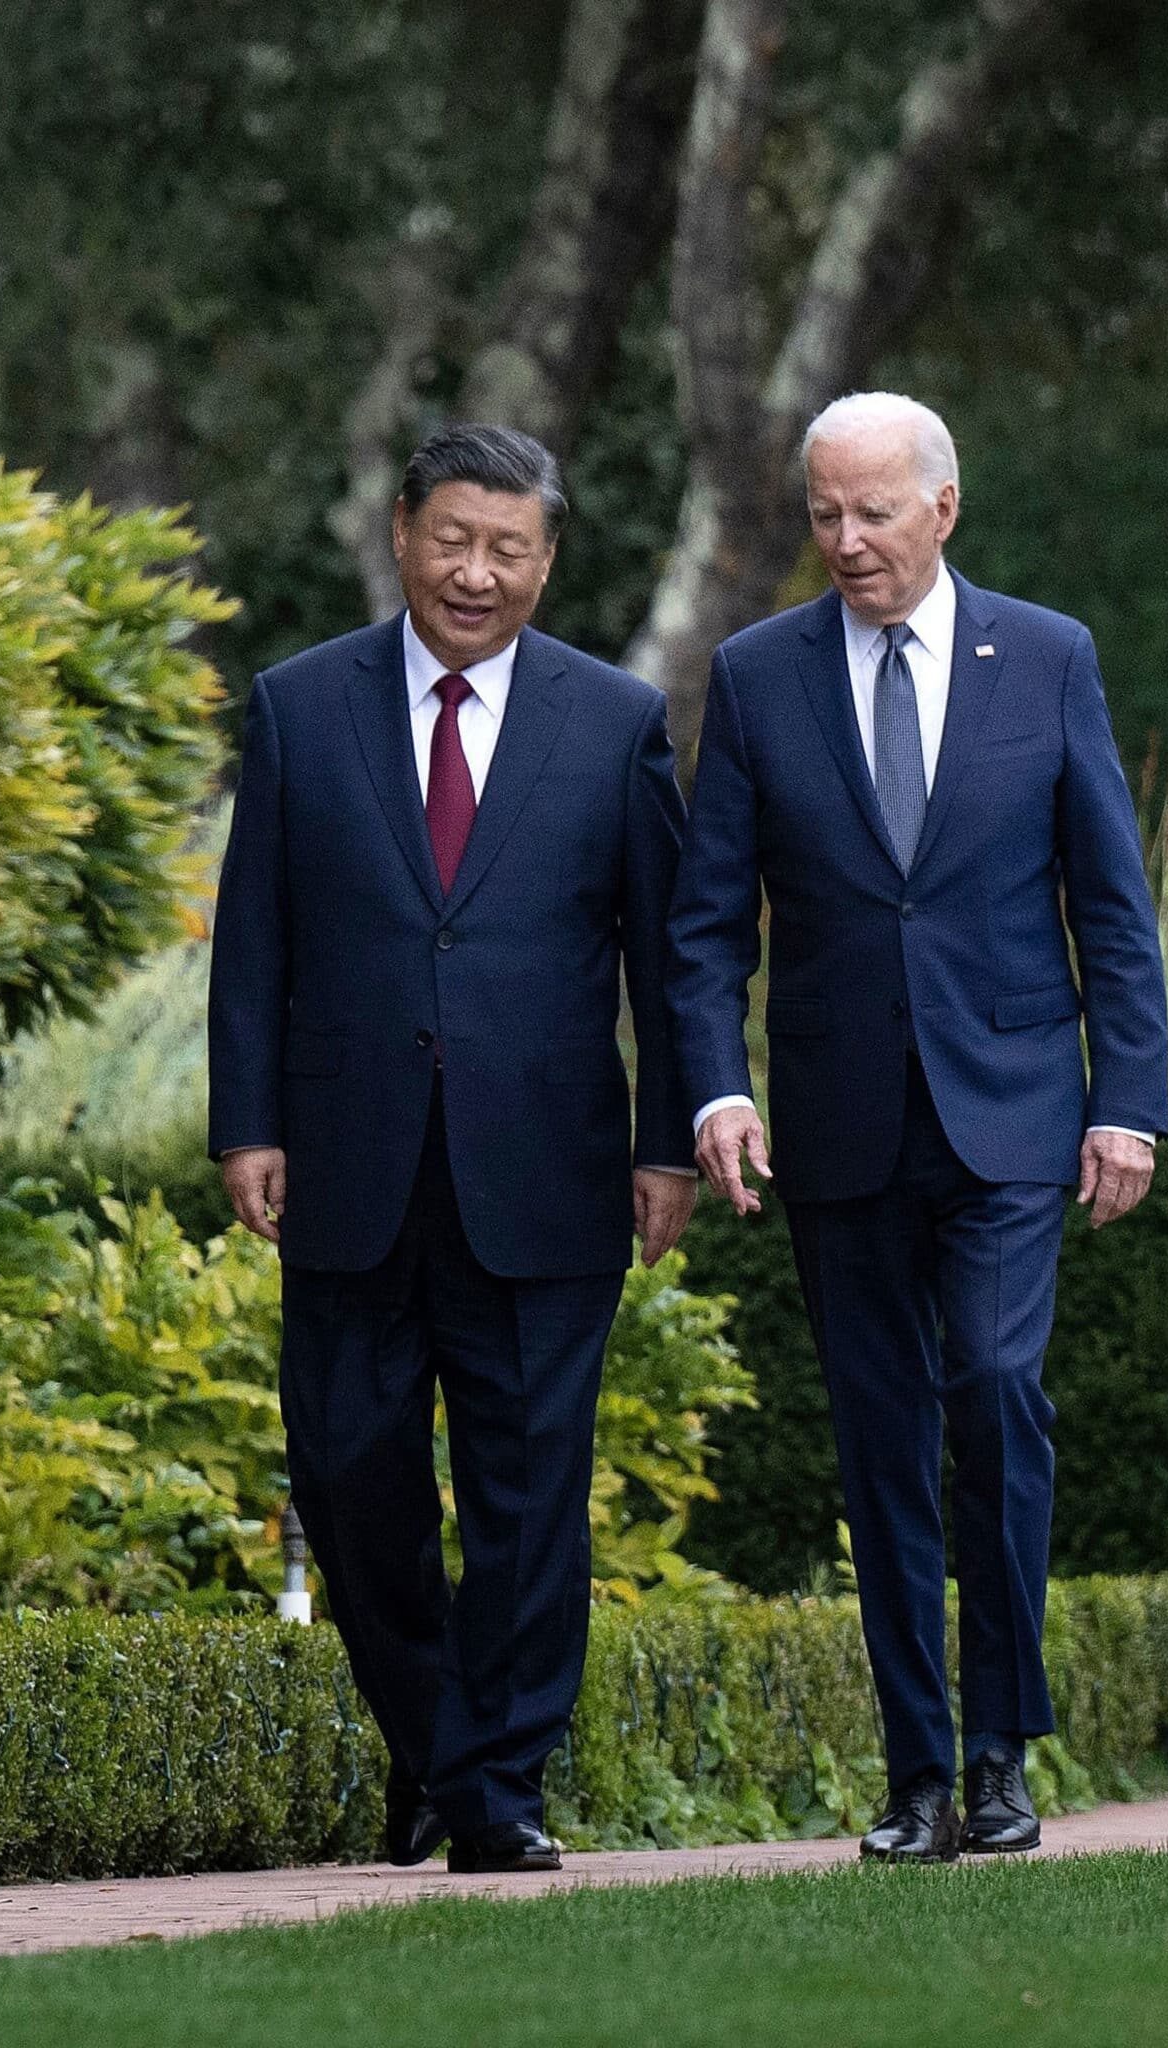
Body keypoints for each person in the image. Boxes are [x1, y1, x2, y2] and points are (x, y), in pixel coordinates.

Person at [667, 391, 1168, 1861]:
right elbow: (707, 927)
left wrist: (1128, 1101)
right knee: (881, 1440)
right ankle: (917, 1778)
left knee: (998, 1394)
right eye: (824, 513)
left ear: (944, 507)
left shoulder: (1050, 657)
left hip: (1013, 1113)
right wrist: (716, 1083)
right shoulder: (758, 677)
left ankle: (1003, 1751)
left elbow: (1111, 907)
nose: (847, 541)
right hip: (840, 1126)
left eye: (875, 512)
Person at [207, 423, 695, 1875]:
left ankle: (496, 1793)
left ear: (547, 559)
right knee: (351, 1475)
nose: (475, 572)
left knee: (532, 1491)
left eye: (510, 548)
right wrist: (249, 1122)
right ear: (402, 530)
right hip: (351, 1166)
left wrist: (667, 1140)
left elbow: (666, 960)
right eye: (452, 539)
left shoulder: (614, 720)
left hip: (545, 1172)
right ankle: (436, 1742)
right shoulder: (301, 706)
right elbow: (255, 941)